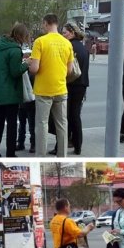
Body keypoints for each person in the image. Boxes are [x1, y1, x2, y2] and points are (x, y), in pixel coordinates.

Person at [27, 13, 74, 157]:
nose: (42, 26)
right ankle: (62, 155)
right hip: (61, 89)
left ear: (46, 23)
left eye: (43, 24)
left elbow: (34, 69)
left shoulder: (40, 42)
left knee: (42, 124)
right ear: (57, 24)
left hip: (43, 90)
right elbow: (69, 70)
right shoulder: (67, 43)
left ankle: (41, 156)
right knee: (62, 124)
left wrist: (30, 63)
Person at [0, 22, 30, 157]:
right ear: (21, 36)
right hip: (10, 93)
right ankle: (10, 153)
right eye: (25, 36)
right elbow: (15, 72)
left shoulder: (0, 46)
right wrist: (26, 64)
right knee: (12, 124)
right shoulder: (15, 50)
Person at [62, 22, 89, 155]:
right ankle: (77, 145)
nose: (63, 35)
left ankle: (63, 144)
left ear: (72, 33)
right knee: (75, 115)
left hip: (70, 84)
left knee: (64, 116)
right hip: (82, 85)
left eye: (65, 32)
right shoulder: (84, 47)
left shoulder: (69, 46)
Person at [16, 72, 36, 153]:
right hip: (24, 101)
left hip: (29, 100)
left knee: (30, 124)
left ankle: (31, 143)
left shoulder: (31, 69)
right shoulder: (25, 68)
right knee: (24, 123)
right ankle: (22, 143)